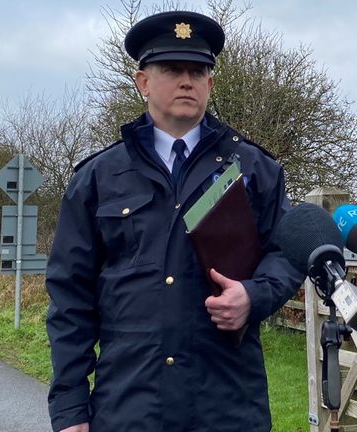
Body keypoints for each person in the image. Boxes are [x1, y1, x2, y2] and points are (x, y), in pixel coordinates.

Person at [45, 10, 303, 432]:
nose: (187, 80)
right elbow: (69, 296)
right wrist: (71, 409)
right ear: (143, 82)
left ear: (211, 84)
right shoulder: (98, 178)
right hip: (129, 406)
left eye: (198, 71)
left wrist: (254, 297)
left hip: (226, 406)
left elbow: (288, 252)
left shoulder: (256, 170)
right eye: (172, 69)